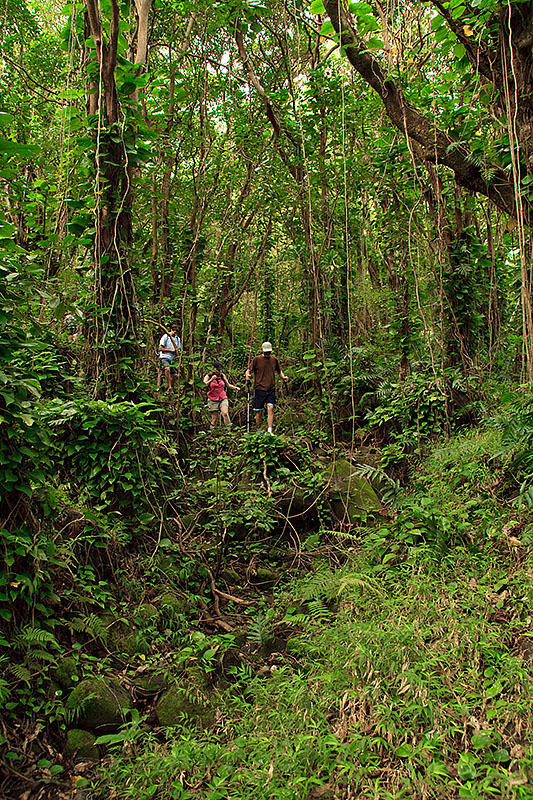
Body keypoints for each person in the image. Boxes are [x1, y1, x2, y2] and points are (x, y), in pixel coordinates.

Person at [245, 341, 288, 434]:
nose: (268, 354)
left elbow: (279, 371)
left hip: (271, 388)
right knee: (259, 412)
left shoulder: (274, 360)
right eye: (266, 352)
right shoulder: (257, 359)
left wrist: (283, 377)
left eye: (269, 352)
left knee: (270, 408)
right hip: (259, 388)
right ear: (262, 350)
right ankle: (258, 430)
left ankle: (269, 431)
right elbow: (248, 370)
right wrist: (248, 375)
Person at [203, 361, 240, 428]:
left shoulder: (222, 376)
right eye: (217, 369)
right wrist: (211, 379)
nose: (219, 371)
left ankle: (229, 430)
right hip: (212, 399)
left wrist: (235, 387)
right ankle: (212, 432)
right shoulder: (208, 376)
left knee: (225, 413)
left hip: (222, 397)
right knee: (214, 418)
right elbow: (204, 384)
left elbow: (228, 385)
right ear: (213, 368)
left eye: (220, 369)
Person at [157, 323, 181, 391]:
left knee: (175, 375)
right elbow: (160, 348)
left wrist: (177, 352)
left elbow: (178, 350)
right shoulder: (166, 336)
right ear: (171, 330)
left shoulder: (177, 339)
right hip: (164, 357)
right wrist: (170, 350)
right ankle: (169, 386)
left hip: (172, 359)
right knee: (167, 369)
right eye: (174, 331)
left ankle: (170, 388)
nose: (175, 333)